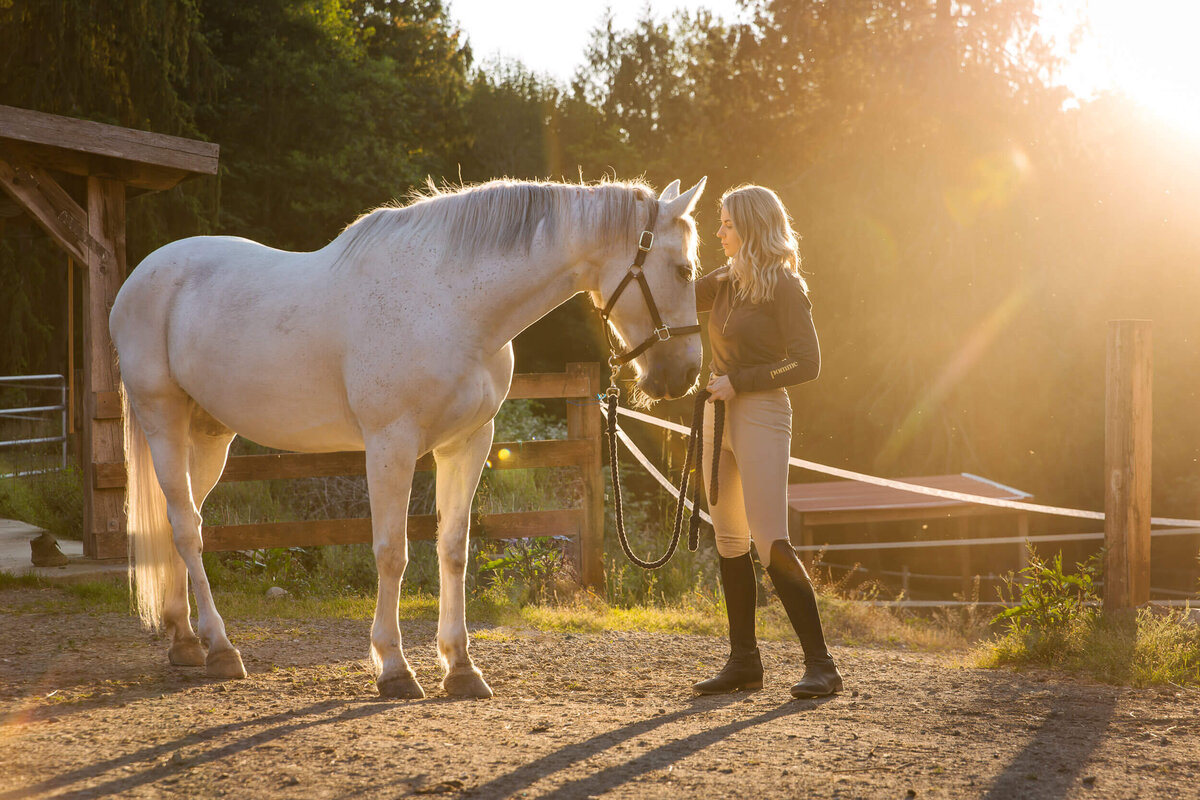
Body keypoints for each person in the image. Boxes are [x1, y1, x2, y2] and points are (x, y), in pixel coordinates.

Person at [691, 184, 843, 698]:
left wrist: (743, 381)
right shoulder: (725, 281)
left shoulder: (785, 287)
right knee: (729, 542)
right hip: (717, 412)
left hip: (759, 412)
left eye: (727, 224)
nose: (719, 233)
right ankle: (744, 663)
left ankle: (821, 665)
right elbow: (676, 295)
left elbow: (807, 362)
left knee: (770, 542)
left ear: (752, 227)